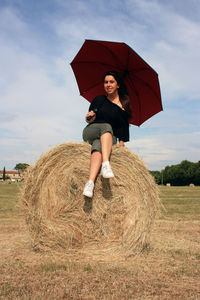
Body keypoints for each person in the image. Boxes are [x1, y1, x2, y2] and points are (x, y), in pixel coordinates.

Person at [82, 71, 132, 197]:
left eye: (111, 82)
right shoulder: (99, 100)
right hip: (91, 131)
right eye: (106, 82)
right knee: (106, 126)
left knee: (98, 148)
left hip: (108, 139)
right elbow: (89, 119)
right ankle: (106, 164)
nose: (108, 84)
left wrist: (121, 147)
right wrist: (90, 116)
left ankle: (90, 183)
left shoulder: (123, 107)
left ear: (118, 85)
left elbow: (123, 129)